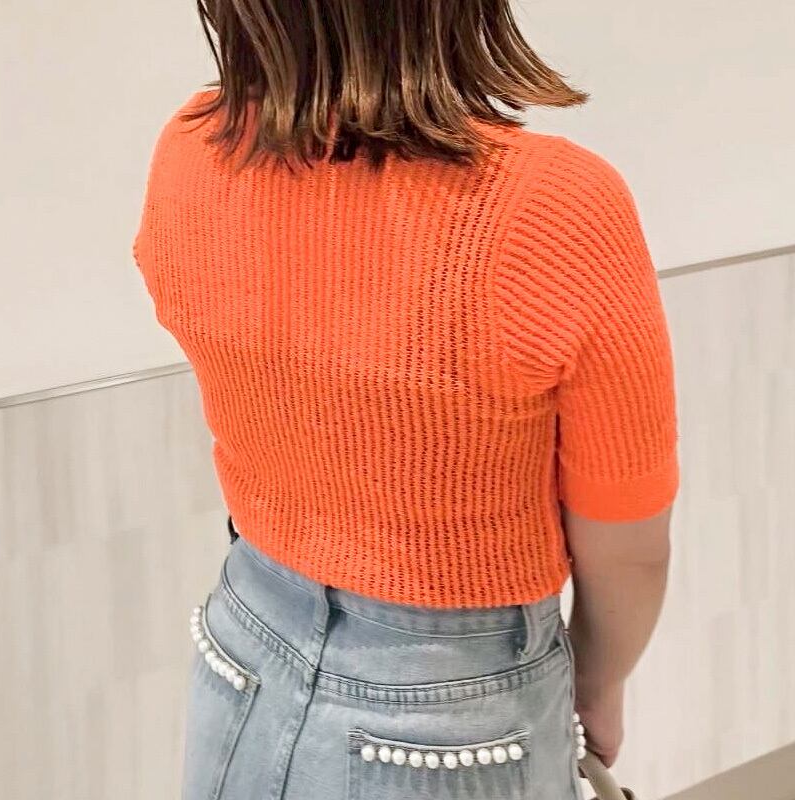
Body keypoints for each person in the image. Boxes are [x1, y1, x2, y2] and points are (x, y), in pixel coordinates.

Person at [133, 1, 679, 797]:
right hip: (457, 709)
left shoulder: (191, 149)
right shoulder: (552, 206)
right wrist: (597, 685)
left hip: (239, 648)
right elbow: (628, 543)